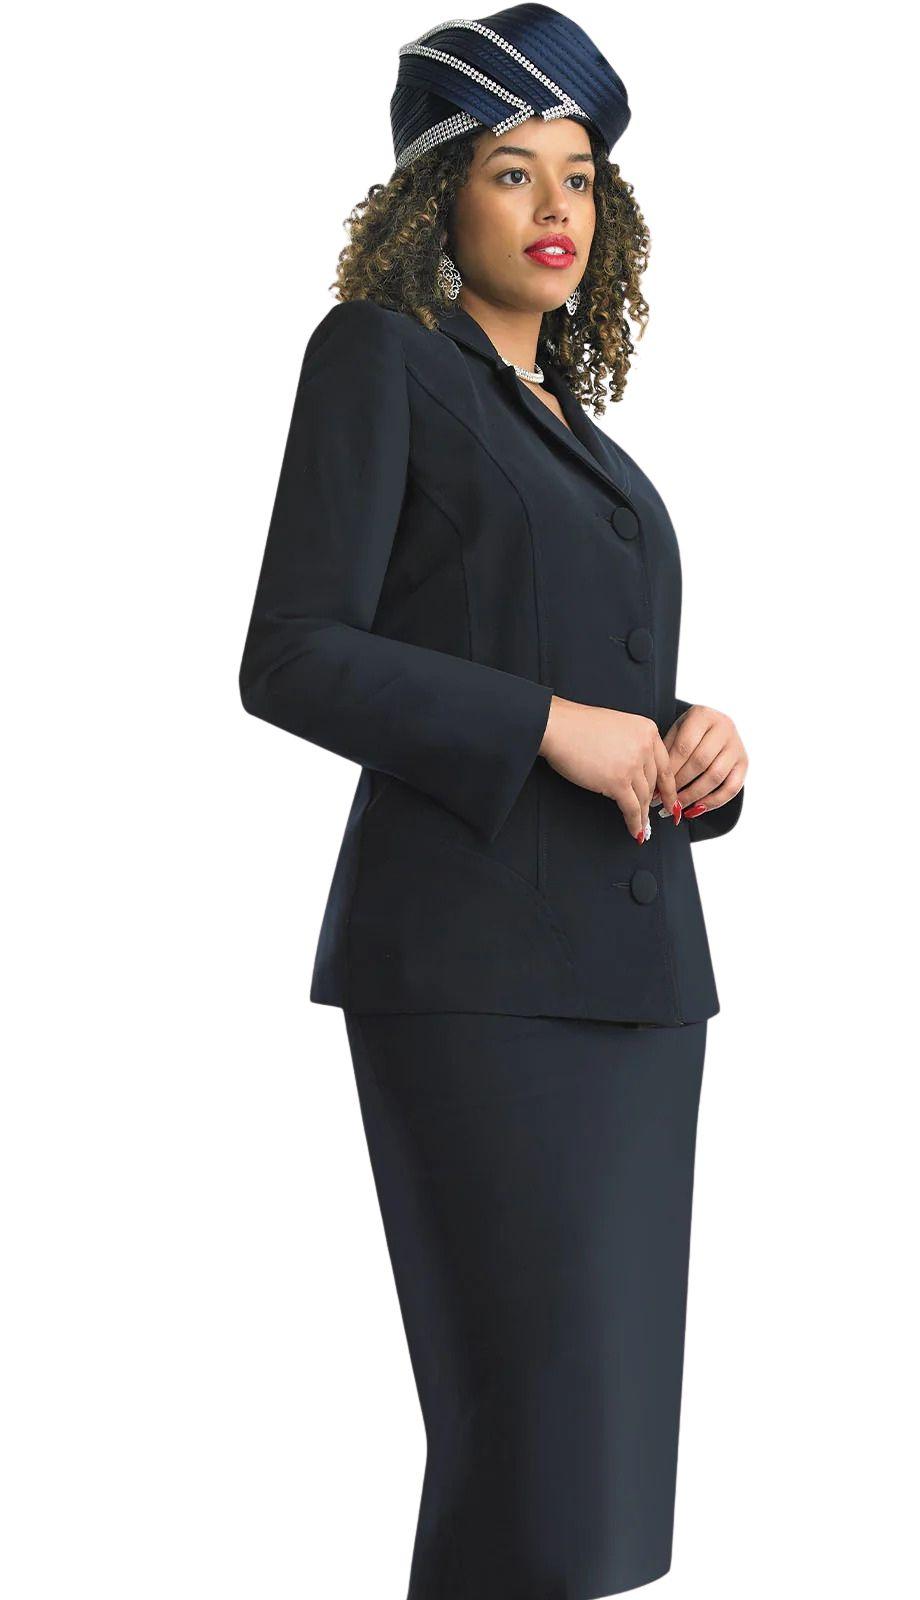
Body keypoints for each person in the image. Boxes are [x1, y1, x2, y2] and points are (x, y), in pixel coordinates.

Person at [239, 6, 749, 1595]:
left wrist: (690, 740)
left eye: (579, 177)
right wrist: (544, 727)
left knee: (600, 1494)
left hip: (635, 981)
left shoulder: (578, 434)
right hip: (472, 973)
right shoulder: (381, 358)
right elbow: (293, 654)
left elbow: (590, 684)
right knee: (521, 1455)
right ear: (436, 196)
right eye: (513, 172)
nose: (554, 209)